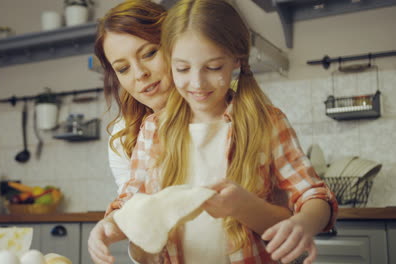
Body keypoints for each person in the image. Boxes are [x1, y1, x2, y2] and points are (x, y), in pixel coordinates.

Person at [100, 0, 338, 264]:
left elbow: (313, 195)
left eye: (213, 67)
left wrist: (303, 222)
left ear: (236, 60)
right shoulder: (153, 130)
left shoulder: (266, 122)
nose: (197, 82)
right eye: (183, 69)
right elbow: (129, 204)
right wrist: (107, 227)